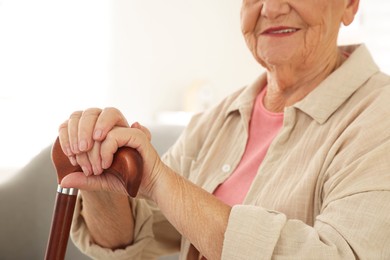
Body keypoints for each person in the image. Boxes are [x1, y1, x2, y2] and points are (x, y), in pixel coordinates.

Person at [58, 0, 390, 259]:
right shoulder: (216, 120)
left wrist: (159, 180)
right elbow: (134, 239)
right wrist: (100, 172)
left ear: (349, 5)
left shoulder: (379, 118)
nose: (271, 8)